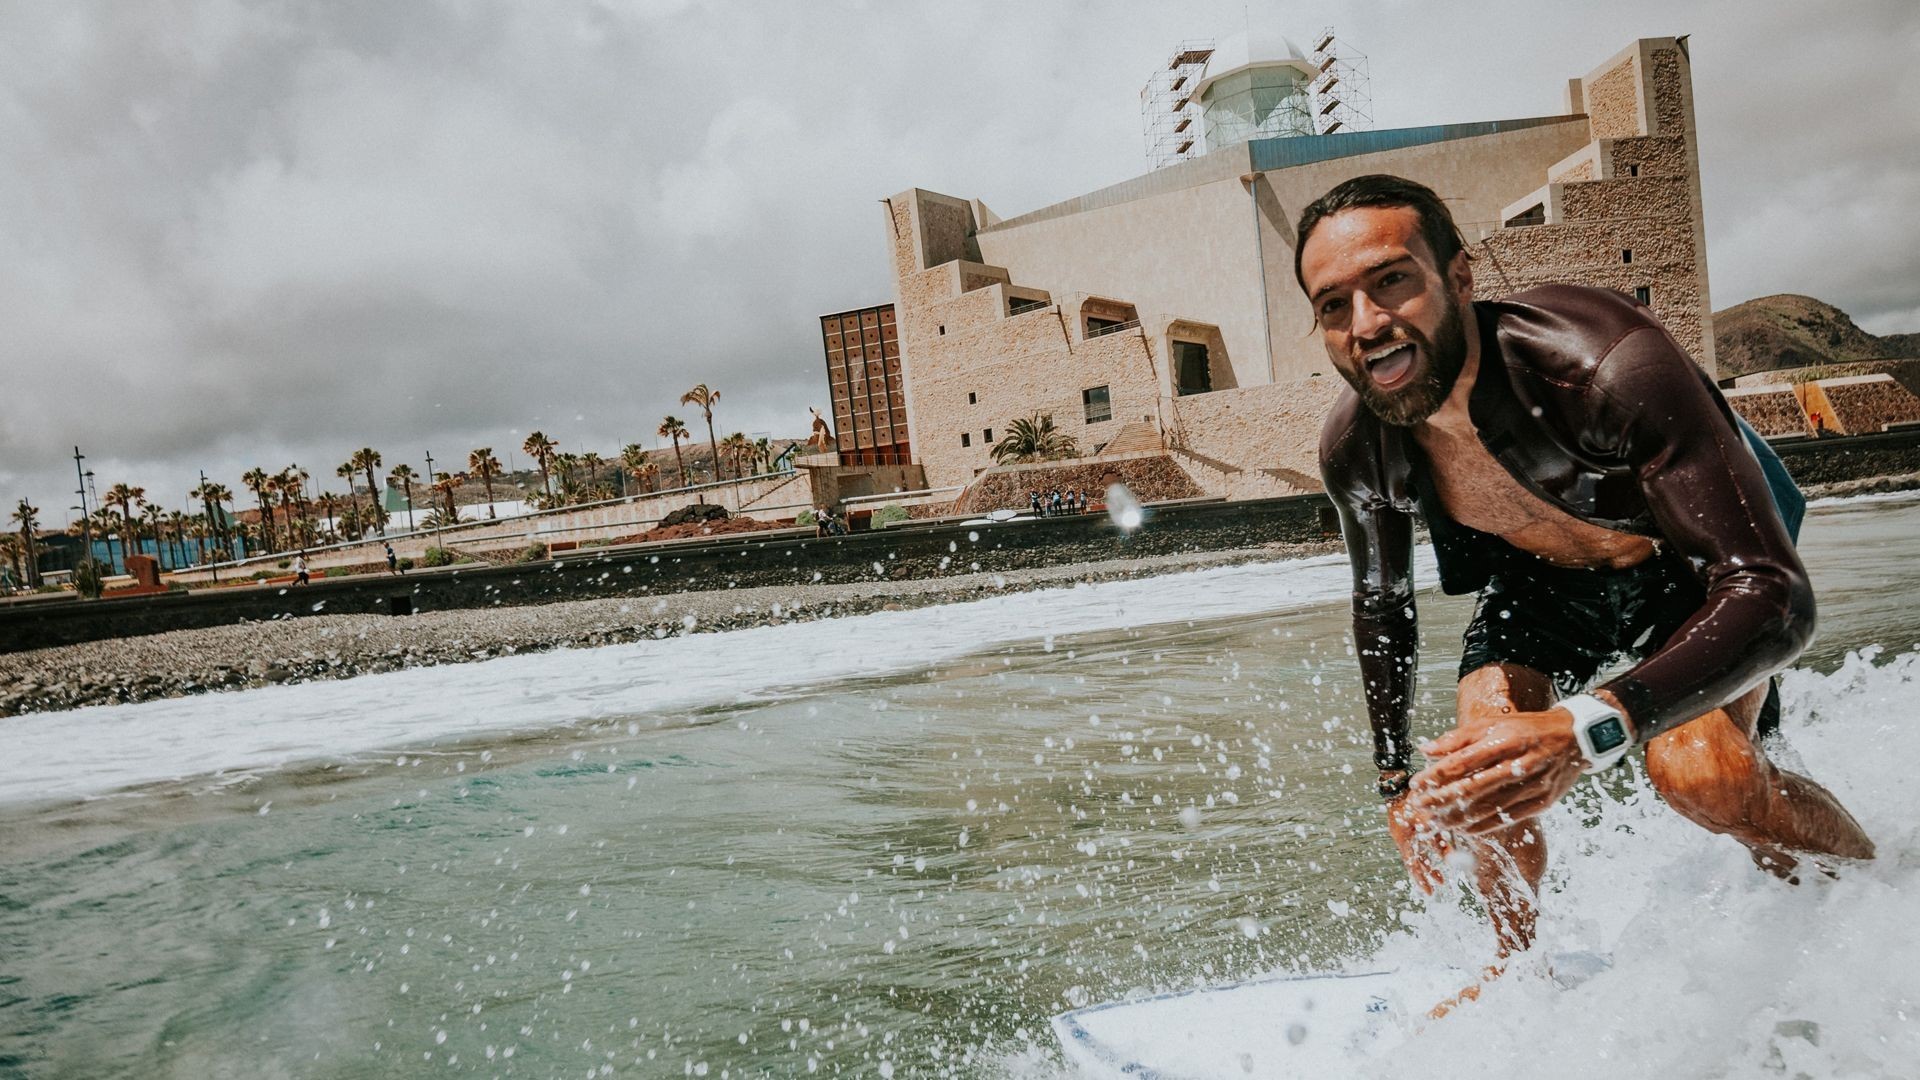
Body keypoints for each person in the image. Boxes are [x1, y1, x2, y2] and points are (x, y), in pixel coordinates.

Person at [1303, 175, 1874, 968]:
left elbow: (1774, 595)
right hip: (1542, 587)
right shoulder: (1359, 449)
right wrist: (1396, 781)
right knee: (1479, 773)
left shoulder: (1601, 361)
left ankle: (1875, 906)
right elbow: (1381, 604)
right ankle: (1518, 976)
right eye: (1333, 305)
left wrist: (1586, 726)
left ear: (1458, 278)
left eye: (1392, 280)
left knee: (1702, 777)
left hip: (1690, 576)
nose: (1367, 324)